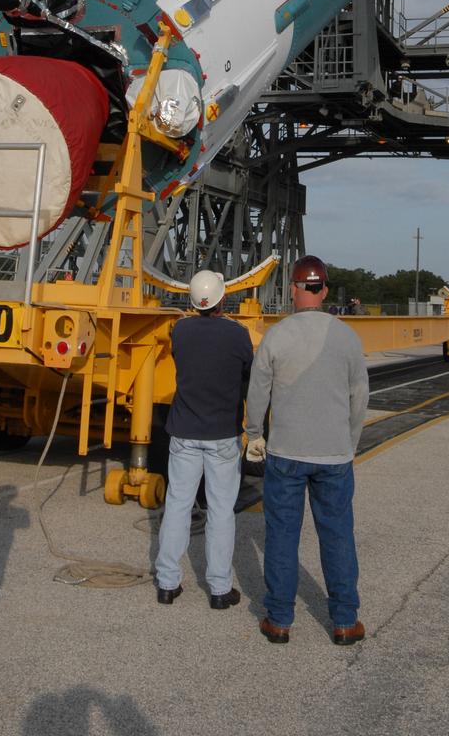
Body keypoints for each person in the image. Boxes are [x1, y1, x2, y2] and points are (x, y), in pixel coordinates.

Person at [245, 255, 369, 646]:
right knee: (337, 535)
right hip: (334, 455)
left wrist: (253, 433)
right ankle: (345, 622)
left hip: (285, 453)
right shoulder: (348, 337)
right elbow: (360, 397)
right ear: (326, 290)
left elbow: (257, 392)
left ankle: (279, 620)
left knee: (282, 535)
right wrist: (348, 444)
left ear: (295, 290)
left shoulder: (277, 336)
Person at [154, 269, 253, 609]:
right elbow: (247, 374)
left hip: (183, 432)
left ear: (192, 300)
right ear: (223, 298)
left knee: (178, 506)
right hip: (222, 434)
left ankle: (167, 583)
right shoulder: (237, 335)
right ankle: (219, 589)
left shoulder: (180, 330)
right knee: (221, 510)